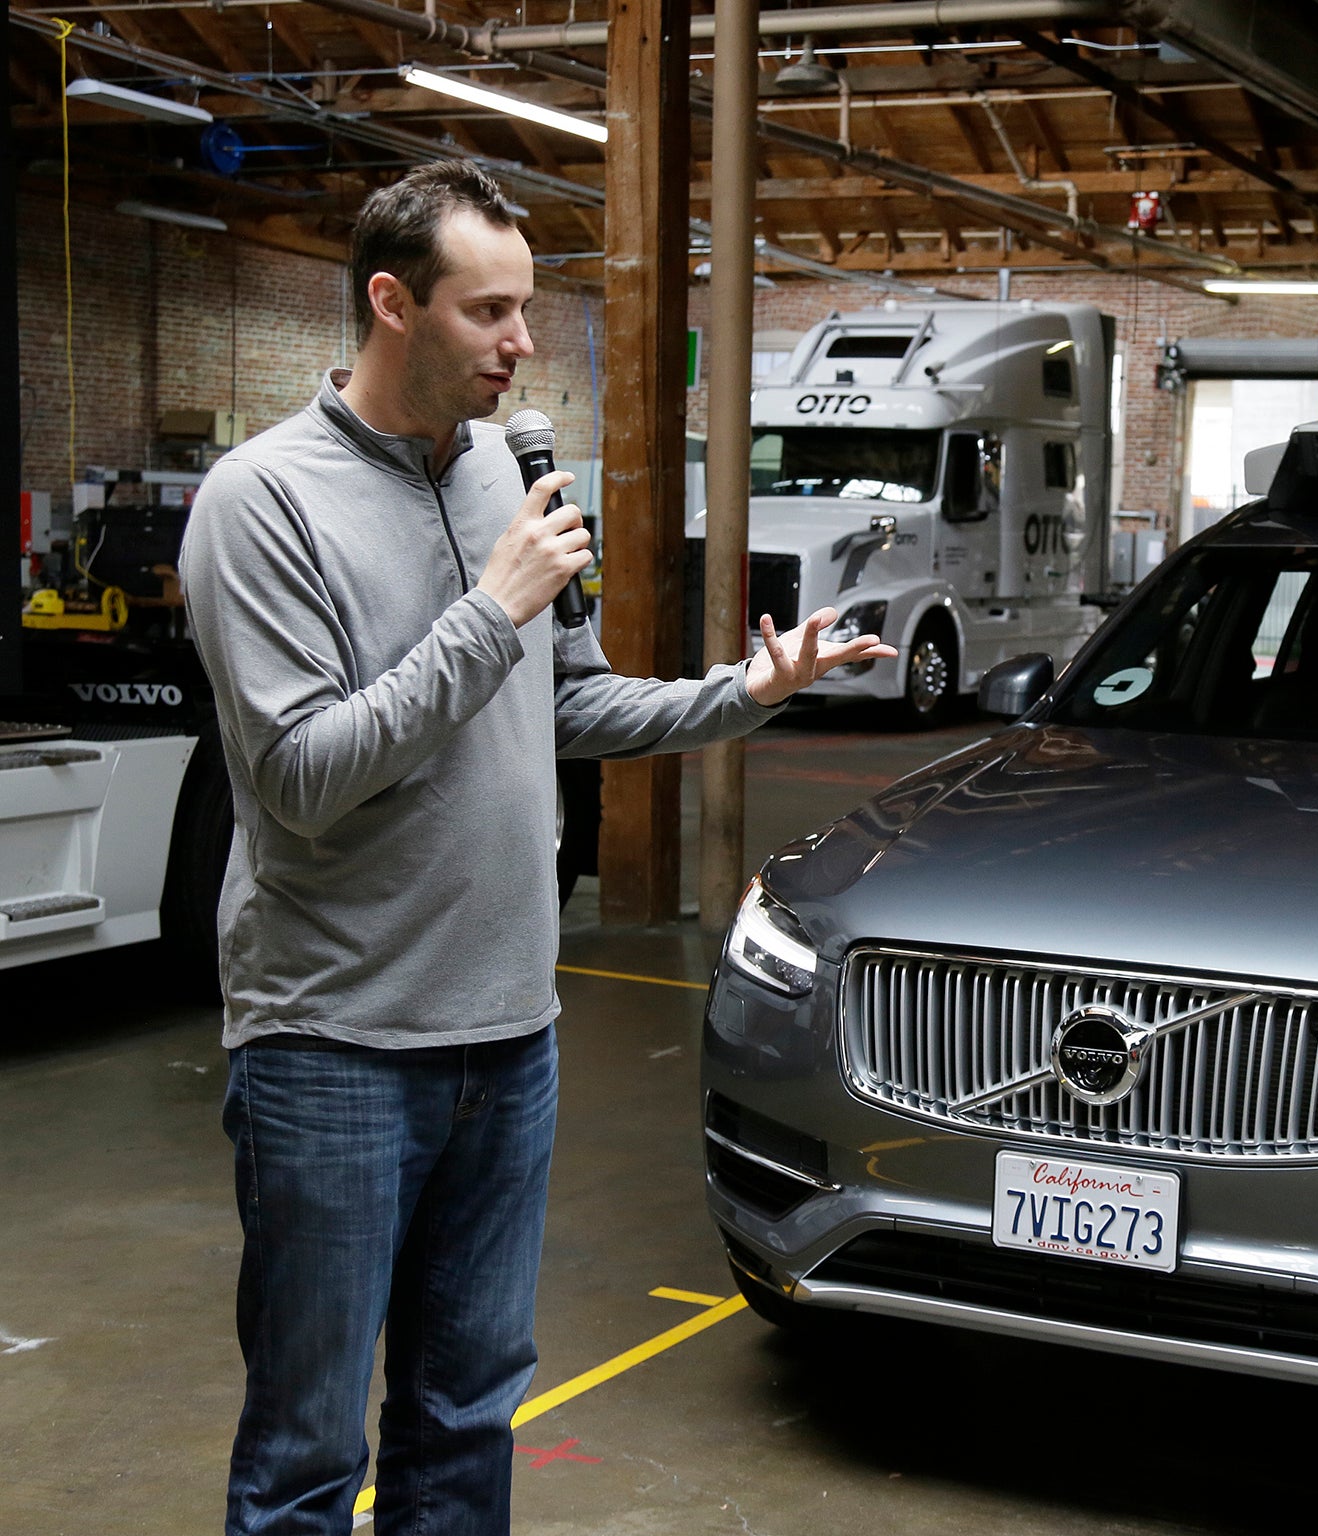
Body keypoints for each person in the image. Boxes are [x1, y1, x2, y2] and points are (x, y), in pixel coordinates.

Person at [179, 159, 893, 1536]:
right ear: (392, 304)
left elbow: (562, 699)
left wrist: (740, 694)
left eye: (526, 310)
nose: (521, 344)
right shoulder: (262, 503)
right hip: (334, 1043)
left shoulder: (507, 472)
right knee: (310, 1449)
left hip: (508, 1035)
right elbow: (301, 777)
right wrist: (489, 611)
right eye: (487, 313)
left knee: (464, 1415)